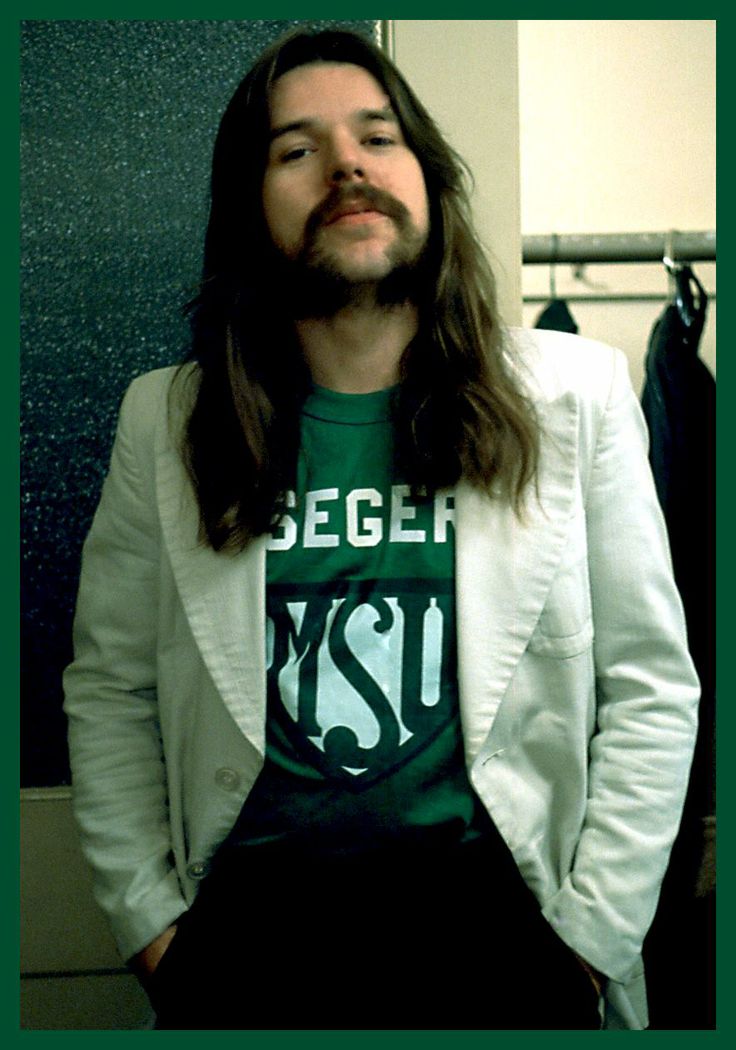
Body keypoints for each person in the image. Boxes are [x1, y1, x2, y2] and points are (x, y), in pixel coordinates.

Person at [63, 28, 699, 1031]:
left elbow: (651, 686)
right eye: (296, 148)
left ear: (429, 180)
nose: (347, 164)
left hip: (503, 942)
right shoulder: (165, 420)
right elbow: (110, 687)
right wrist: (154, 931)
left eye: (378, 136)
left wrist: (588, 942)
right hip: (246, 951)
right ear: (248, 205)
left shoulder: (574, 396)